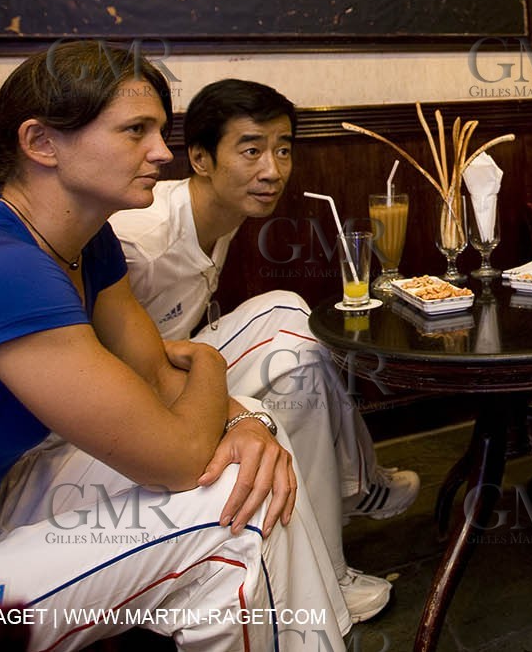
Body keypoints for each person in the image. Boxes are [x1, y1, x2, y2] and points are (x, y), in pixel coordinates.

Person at [0, 42, 348, 651]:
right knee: (232, 508)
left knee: (250, 448)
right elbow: (181, 454)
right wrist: (209, 362)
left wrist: (249, 421)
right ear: (42, 143)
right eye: (136, 131)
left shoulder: (85, 244)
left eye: (160, 130)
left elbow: (156, 374)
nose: (162, 152)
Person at [114, 78, 417, 620]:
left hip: (170, 372)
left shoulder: (220, 217)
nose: (273, 170)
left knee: (296, 353)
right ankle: (348, 517)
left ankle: (351, 502)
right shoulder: (140, 240)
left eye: (283, 150)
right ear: (201, 159)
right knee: (287, 318)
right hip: (120, 399)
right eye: (251, 150)